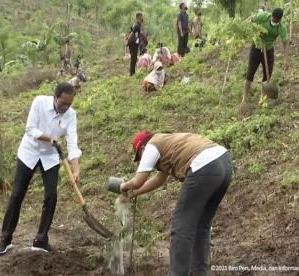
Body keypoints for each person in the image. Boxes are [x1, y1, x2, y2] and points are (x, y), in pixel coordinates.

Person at [119, 131, 232, 276]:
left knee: (181, 227)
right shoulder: (168, 143)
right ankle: (200, 272)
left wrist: (123, 187)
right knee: (201, 226)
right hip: (224, 163)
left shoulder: (151, 145)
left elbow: (138, 181)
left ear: (141, 149)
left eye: (140, 158)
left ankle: (177, 273)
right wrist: (133, 194)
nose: (142, 161)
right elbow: (159, 180)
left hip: (203, 167)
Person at [0, 83, 82, 256]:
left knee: (51, 196)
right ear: (55, 98)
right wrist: (49, 137)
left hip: (50, 157)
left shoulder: (71, 115)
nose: (65, 107)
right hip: (29, 152)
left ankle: (41, 240)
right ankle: (5, 239)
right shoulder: (39, 102)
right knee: (17, 193)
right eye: (62, 103)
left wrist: (76, 169)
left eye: (69, 104)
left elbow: (72, 143)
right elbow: (30, 129)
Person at [241, 8, 289, 107]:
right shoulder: (263, 16)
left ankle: (262, 99)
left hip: (269, 50)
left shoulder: (281, 27)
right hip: (256, 47)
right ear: (271, 15)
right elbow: (251, 21)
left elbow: (285, 42)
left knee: (267, 77)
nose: (274, 20)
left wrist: (285, 59)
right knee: (250, 74)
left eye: (276, 20)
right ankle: (244, 98)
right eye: (273, 18)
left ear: (279, 20)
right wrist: (257, 31)